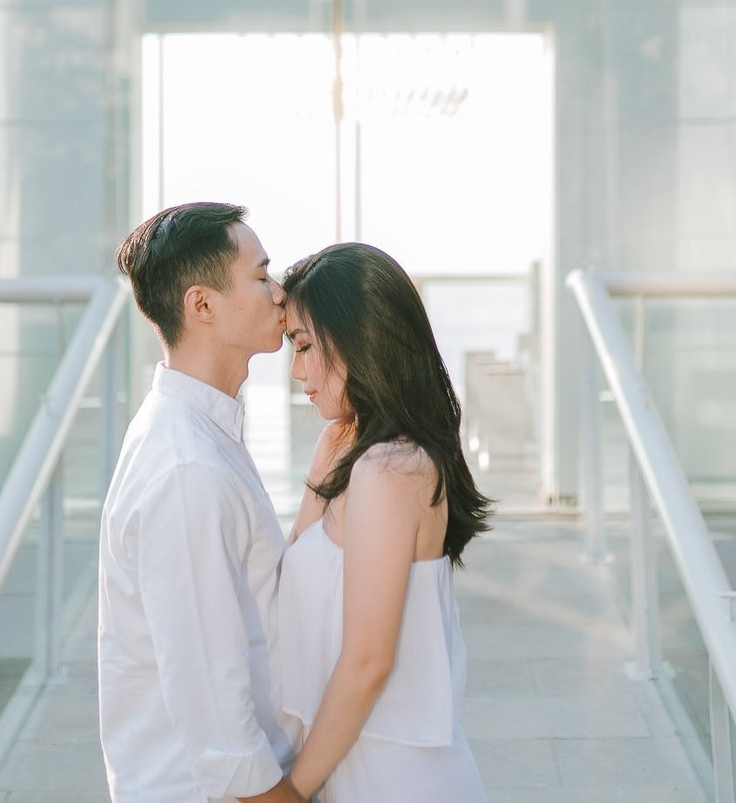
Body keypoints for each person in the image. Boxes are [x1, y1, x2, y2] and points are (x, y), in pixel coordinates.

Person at [100, 201, 304, 803]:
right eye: (261, 275)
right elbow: (220, 731)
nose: (278, 293)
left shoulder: (199, 434)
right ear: (202, 305)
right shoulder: (186, 469)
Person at [276, 242, 493, 802]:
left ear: (355, 339)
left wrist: (290, 792)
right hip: (340, 763)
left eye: (303, 346)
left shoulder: (392, 467)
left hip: (395, 777)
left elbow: (370, 659)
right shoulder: (337, 444)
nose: (296, 370)